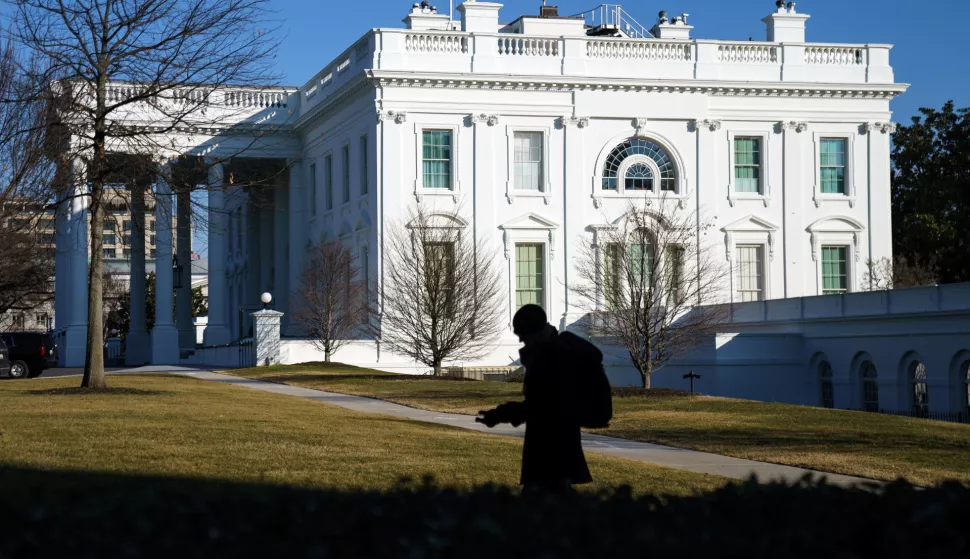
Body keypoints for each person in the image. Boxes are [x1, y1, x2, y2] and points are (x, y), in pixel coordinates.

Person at [477, 304, 600, 491]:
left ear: (535, 332)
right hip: (555, 447)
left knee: (544, 506)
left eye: (523, 335)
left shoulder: (553, 358)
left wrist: (500, 415)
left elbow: (540, 406)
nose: (521, 341)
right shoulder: (551, 353)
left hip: (551, 450)